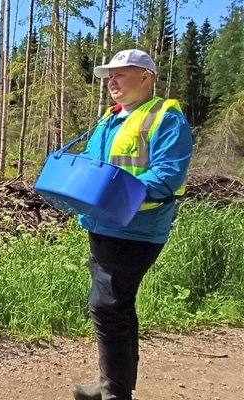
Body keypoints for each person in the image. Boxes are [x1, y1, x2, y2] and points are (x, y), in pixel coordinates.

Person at [70, 49, 193, 400]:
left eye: (121, 73)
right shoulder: (110, 119)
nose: (112, 80)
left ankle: (114, 393)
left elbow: (168, 176)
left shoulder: (165, 118)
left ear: (145, 76)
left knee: (107, 307)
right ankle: (115, 385)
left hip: (136, 229)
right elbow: (93, 167)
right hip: (101, 225)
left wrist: (111, 191)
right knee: (117, 306)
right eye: (110, 75)